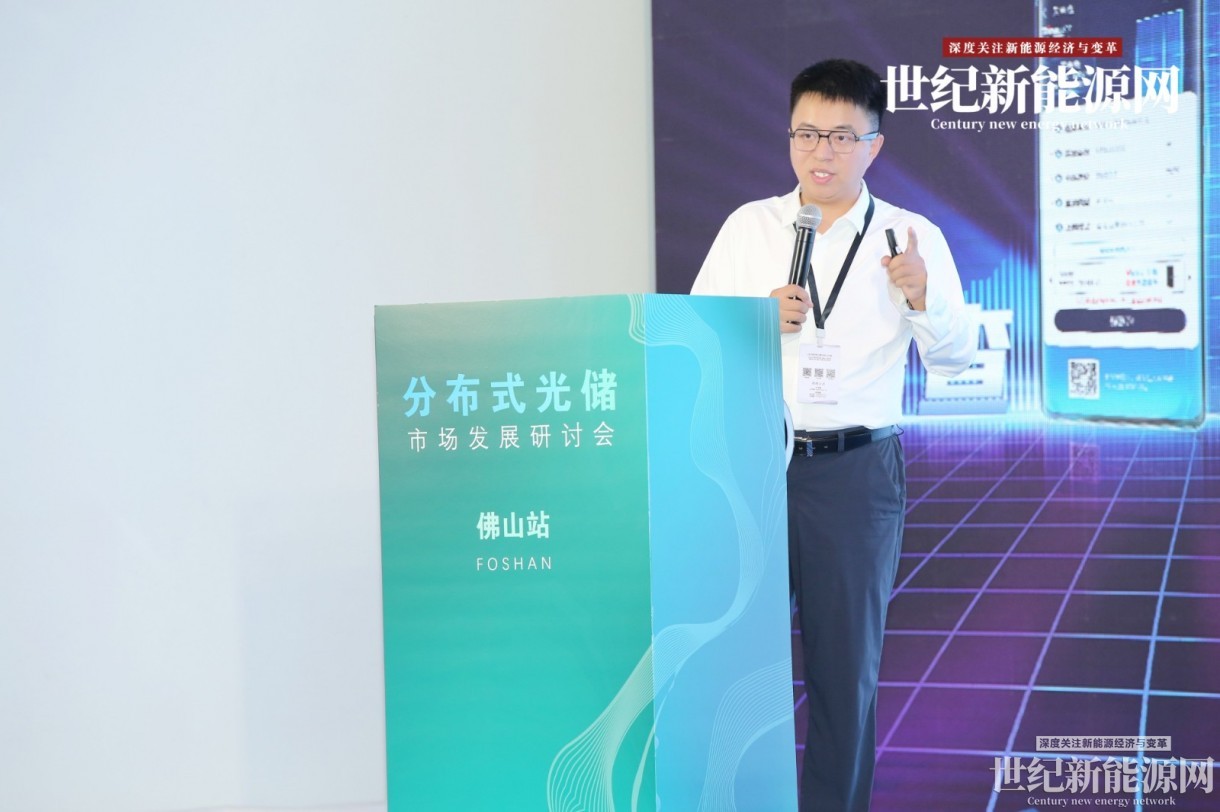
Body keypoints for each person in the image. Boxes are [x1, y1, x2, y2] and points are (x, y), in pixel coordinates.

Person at [691, 59, 977, 812]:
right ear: (789, 136)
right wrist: (753, 320)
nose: (822, 152)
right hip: (754, 462)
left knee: (844, 675)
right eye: (808, 133)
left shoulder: (909, 236)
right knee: (732, 667)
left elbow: (956, 359)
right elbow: (694, 343)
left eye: (843, 136)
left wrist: (921, 295)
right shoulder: (749, 228)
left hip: (856, 473)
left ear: (874, 145)